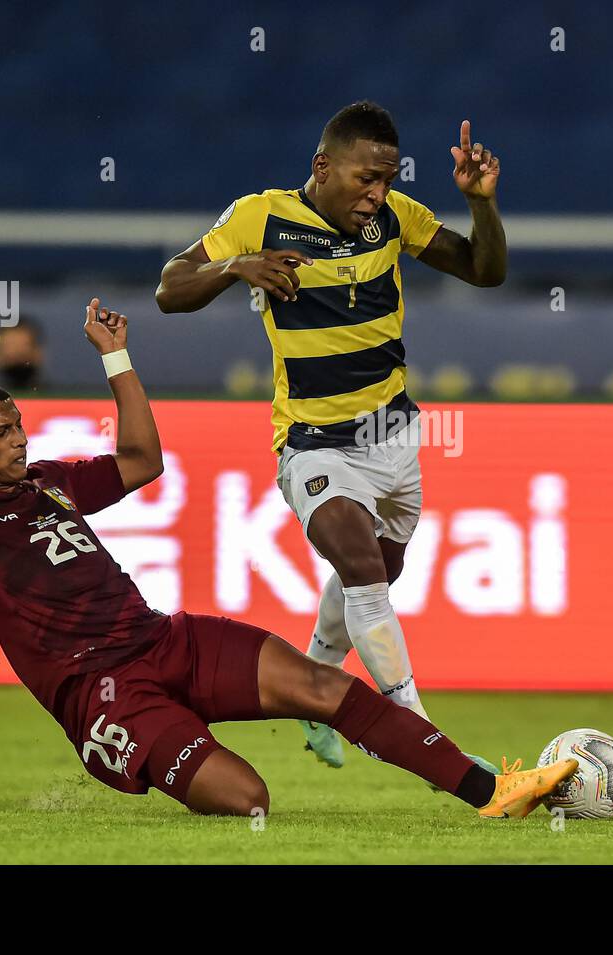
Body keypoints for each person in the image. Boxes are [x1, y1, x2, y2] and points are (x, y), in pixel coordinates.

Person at [0, 298, 574, 819]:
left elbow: (139, 462)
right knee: (249, 798)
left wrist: (117, 359)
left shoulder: (50, 483)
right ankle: (173, 741)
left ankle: (488, 790)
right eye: (0, 433)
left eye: (19, 424)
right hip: (102, 693)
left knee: (322, 685)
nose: (20, 438)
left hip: (165, 639)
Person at [155, 101, 507, 769]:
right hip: (314, 443)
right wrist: (236, 268)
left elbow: (485, 271)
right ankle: (428, 743)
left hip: (394, 438)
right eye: (364, 179)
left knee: (380, 569)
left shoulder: (396, 219)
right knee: (364, 568)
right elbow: (168, 290)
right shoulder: (261, 214)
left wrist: (482, 205)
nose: (376, 195)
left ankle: (317, 677)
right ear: (323, 166)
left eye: (387, 179)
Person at [0, 316, 45, 393]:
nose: (16, 357)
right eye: (9, 350)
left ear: (38, 354)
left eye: (23, 353)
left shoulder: (57, 399)